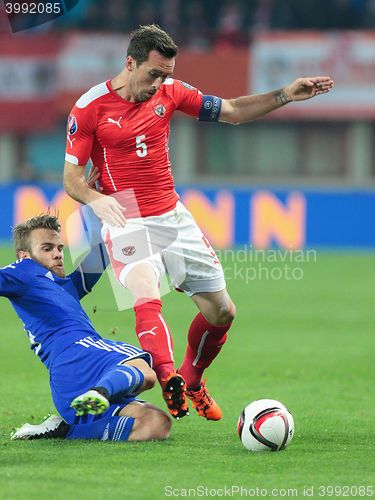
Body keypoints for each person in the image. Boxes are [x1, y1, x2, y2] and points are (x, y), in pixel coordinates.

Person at [63, 24, 334, 421]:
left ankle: (192, 379)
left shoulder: (172, 92)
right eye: (154, 74)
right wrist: (96, 199)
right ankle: (168, 376)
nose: (160, 84)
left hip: (172, 216)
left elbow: (233, 110)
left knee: (222, 312)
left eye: (166, 75)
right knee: (144, 289)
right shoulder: (90, 107)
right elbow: (70, 179)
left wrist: (285, 95)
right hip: (125, 218)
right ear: (130, 63)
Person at [2, 213, 171, 442]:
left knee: (156, 423)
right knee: (143, 370)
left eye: (60, 248)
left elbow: (102, 253)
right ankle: (100, 392)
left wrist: (98, 205)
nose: (58, 254)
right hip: (75, 355)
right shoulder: (24, 271)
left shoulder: (67, 285)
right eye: (47, 248)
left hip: (74, 378)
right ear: (25, 256)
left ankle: (65, 429)